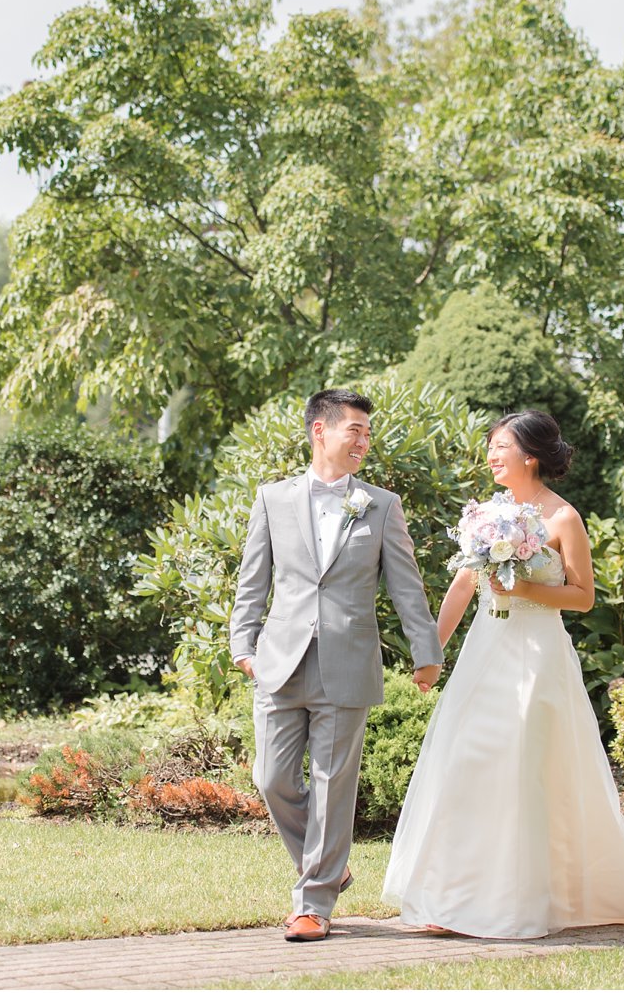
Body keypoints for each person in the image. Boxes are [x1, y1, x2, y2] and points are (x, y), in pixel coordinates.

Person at [381, 409, 624, 938]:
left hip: (536, 656)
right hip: (485, 652)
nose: (492, 455)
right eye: (491, 445)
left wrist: (523, 588)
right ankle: (451, 896)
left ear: (530, 454)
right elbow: (461, 587)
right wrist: (432, 652)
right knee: (468, 763)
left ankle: (519, 900)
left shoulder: (563, 518)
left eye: (501, 445)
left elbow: (583, 596)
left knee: (525, 769)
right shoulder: (488, 515)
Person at [231, 388, 444, 943]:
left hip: (348, 661)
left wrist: (426, 653)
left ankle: (314, 903)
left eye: (368, 433)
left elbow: (407, 586)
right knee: (271, 778)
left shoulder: (381, 504)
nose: (364, 441)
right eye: (355, 429)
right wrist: (243, 645)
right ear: (319, 431)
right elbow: (253, 579)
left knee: (331, 784)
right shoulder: (272, 499)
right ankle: (330, 864)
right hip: (280, 660)